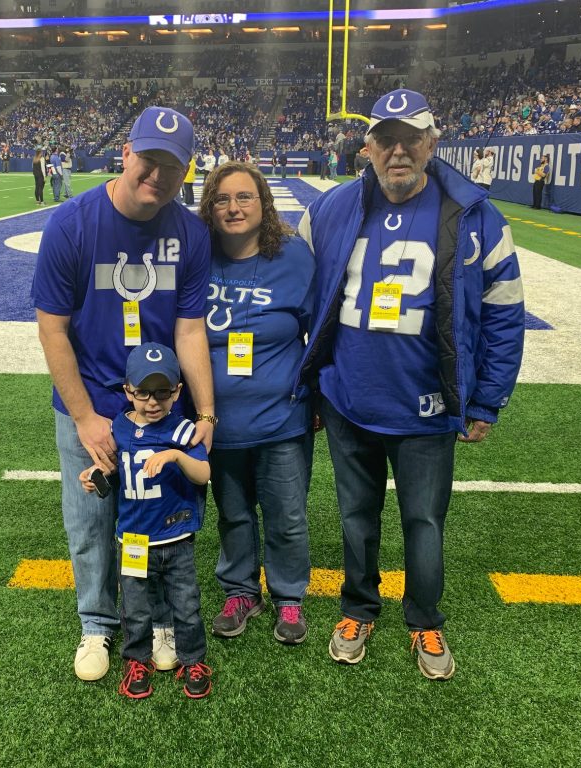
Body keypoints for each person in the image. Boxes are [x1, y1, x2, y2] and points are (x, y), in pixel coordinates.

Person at [296, 88, 525, 680]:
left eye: (410, 139)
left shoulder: (476, 216)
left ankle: (424, 618)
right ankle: (358, 608)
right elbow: (298, 294)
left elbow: (504, 310)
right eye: (386, 140)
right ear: (367, 146)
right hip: (348, 397)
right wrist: (309, 379)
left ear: (432, 142)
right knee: (356, 516)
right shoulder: (330, 209)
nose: (399, 152)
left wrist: (488, 397)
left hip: (428, 405)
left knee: (424, 521)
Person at [32, 106, 215, 683]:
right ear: (127, 154)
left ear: (186, 172)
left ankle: (160, 621)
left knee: (159, 520)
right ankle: (96, 623)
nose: (158, 175)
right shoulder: (73, 222)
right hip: (88, 406)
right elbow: (52, 327)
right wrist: (86, 416)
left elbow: (189, 330)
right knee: (90, 522)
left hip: (159, 408)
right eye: (149, 159)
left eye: (173, 166)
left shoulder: (189, 232)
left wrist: (205, 411)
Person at [198, 161, 315, 645]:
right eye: (223, 198)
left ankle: (289, 598)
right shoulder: (196, 256)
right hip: (217, 421)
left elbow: (318, 330)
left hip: (281, 417)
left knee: (287, 515)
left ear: (263, 203)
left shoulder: (294, 257)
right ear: (209, 206)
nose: (233, 207)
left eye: (244, 197)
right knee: (235, 514)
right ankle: (241, 590)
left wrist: (319, 395)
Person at [80, 343, 213, 700]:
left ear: (177, 392)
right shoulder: (120, 429)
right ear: (127, 390)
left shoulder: (183, 431)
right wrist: (97, 475)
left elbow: (203, 473)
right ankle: (137, 660)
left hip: (176, 536)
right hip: (134, 540)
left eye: (162, 392)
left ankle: (193, 660)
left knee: (187, 605)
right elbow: (117, 471)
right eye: (143, 392)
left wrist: (174, 456)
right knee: (135, 610)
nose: (153, 402)